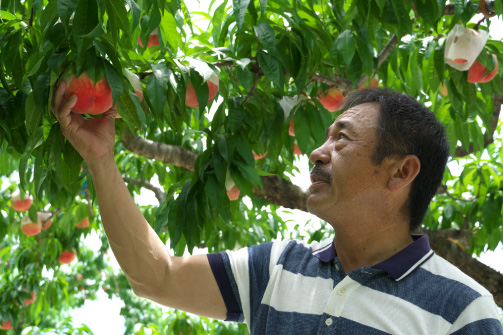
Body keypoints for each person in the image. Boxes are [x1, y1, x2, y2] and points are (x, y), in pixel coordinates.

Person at [51, 84, 503, 334]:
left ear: (401, 173)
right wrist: (100, 159)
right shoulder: (280, 266)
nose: (316, 152)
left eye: (340, 138)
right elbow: (158, 276)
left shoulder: (465, 310)